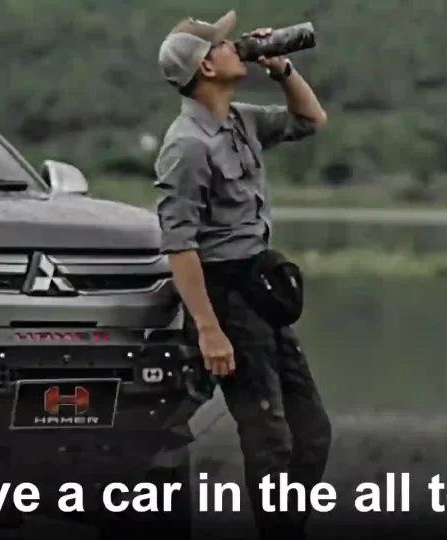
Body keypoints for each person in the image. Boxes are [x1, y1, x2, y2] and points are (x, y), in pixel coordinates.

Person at [154, 10, 331, 540]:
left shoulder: (240, 119)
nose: (237, 46)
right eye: (224, 44)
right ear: (206, 67)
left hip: (262, 289)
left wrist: (283, 70)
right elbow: (179, 244)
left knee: (313, 435)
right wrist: (208, 328)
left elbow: (309, 121)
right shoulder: (185, 145)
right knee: (269, 437)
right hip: (224, 297)